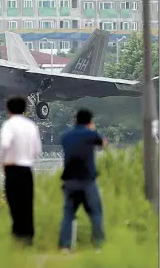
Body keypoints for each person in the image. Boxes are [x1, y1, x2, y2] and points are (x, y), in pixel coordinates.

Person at [59, 108, 107, 253]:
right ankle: (98, 245)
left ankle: (65, 246)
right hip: (87, 181)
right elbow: (102, 144)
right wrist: (92, 130)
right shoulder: (90, 134)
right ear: (90, 121)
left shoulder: (66, 136)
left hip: (70, 182)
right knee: (96, 213)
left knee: (68, 215)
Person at [0, 96, 42, 246]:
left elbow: (4, 145)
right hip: (27, 170)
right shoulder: (31, 126)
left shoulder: (8, 125)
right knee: (27, 204)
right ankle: (28, 238)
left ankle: (17, 237)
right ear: (25, 109)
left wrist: (3, 164)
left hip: (12, 170)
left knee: (14, 204)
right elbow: (37, 150)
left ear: (9, 110)